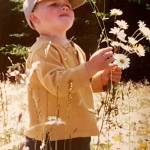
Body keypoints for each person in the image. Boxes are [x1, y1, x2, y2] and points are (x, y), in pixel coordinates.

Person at [22, 0, 122, 149]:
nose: (64, 7)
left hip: (77, 132)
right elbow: (59, 85)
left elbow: (80, 85)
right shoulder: (42, 50)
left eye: (68, 5)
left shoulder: (75, 48)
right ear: (35, 18)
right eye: (54, 4)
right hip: (51, 136)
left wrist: (101, 78)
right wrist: (90, 67)